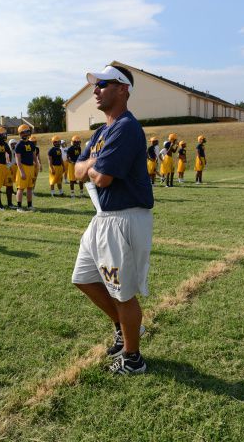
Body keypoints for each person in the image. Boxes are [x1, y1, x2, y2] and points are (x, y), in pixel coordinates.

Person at [72, 64, 153, 374]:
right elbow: (77, 171)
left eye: (103, 84)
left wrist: (91, 166)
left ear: (123, 89)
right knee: (83, 278)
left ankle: (133, 358)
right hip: (103, 217)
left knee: (122, 291)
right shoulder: (102, 131)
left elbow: (102, 178)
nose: (96, 90)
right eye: (96, 85)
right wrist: (92, 164)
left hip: (124, 218)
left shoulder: (127, 127)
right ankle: (125, 327)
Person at [14, 125, 40, 212]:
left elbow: (34, 156)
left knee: (30, 188)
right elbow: (18, 160)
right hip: (23, 167)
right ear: (21, 133)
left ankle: (29, 205)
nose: (28, 133)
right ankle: (19, 207)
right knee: (21, 188)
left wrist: (36, 164)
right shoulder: (18, 145)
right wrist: (22, 172)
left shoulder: (31, 143)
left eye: (28, 131)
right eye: (26, 131)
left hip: (31, 168)